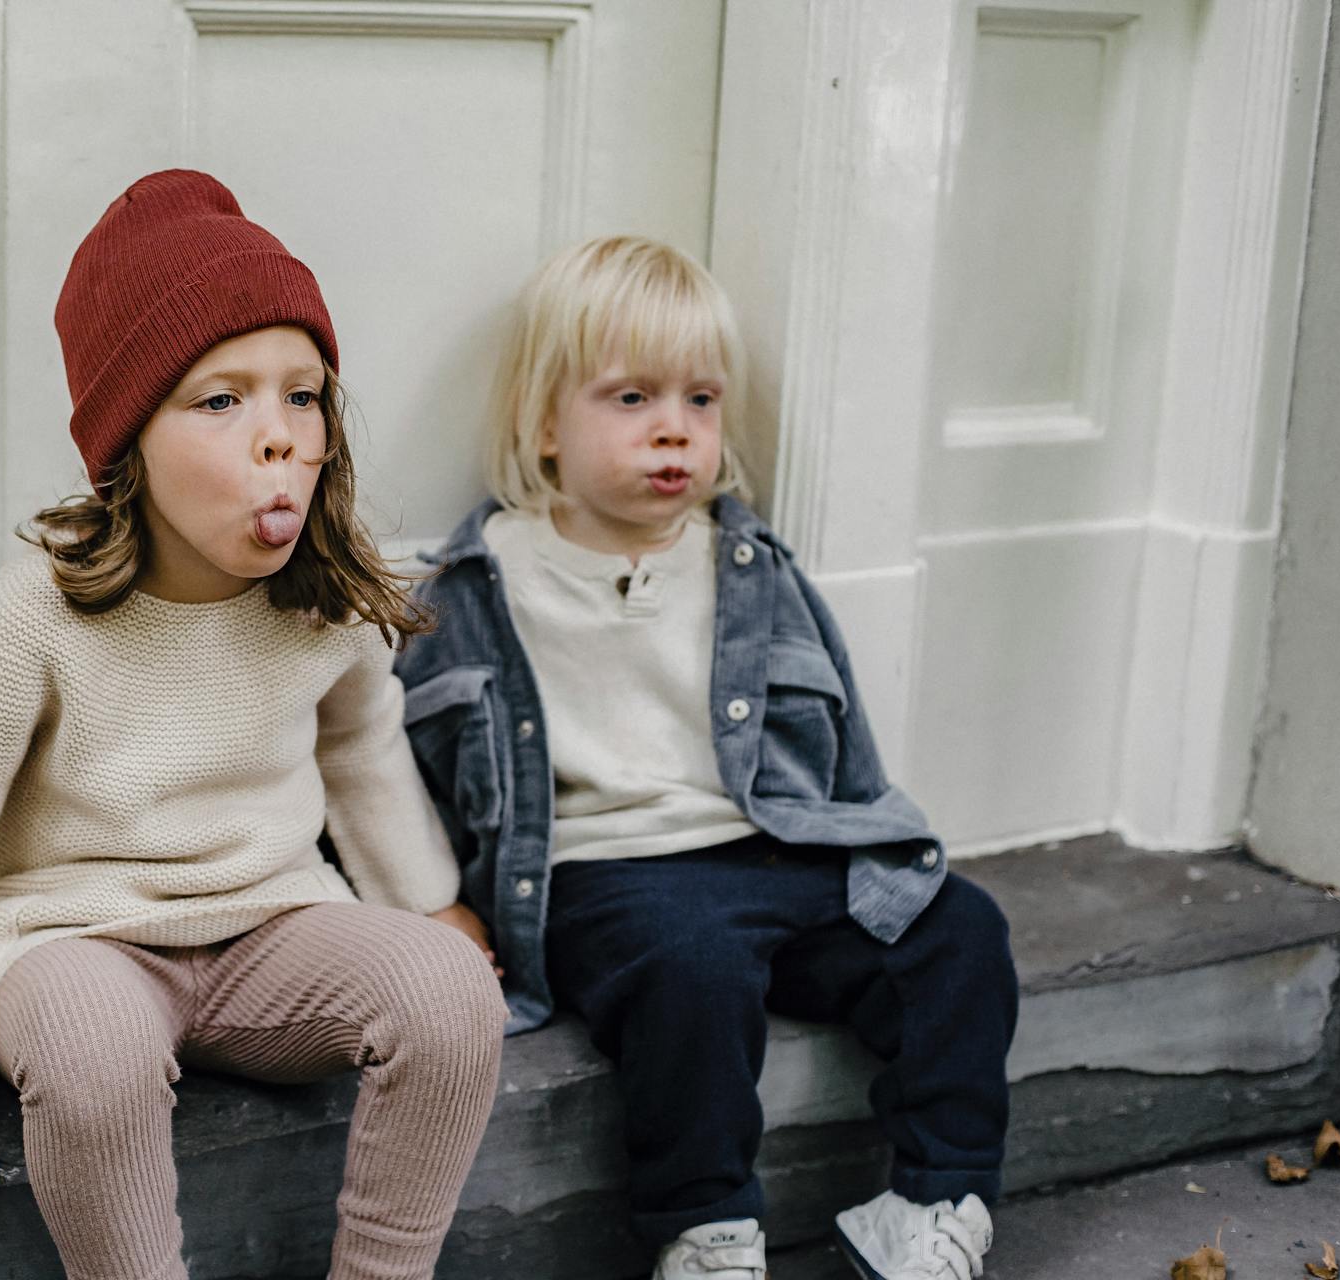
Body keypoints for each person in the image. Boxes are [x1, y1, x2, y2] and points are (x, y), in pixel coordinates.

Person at [0, 169, 508, 1280]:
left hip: (273, 929)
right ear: (127, 442)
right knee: (97, 1053)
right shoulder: (39, 612)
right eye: (221, 399)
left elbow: (359, 743)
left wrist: (428, 903)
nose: (280, 436)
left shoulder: (324, 596)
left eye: (304, 395)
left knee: (452, 994)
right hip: (73, 942)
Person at [395, 235, 1018, 1280]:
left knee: (958, 928)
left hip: (776, 847)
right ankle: (708, 1226)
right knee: (692, 966)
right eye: (631, 397)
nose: (673, 429)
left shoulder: (746, 562)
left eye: (699, 398)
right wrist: (425, 906)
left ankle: (935, 1195)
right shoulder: (485, 580)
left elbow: (838, 738)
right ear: (544, 424)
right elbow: (400, 754)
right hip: (609, 877)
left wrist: (879, 858)